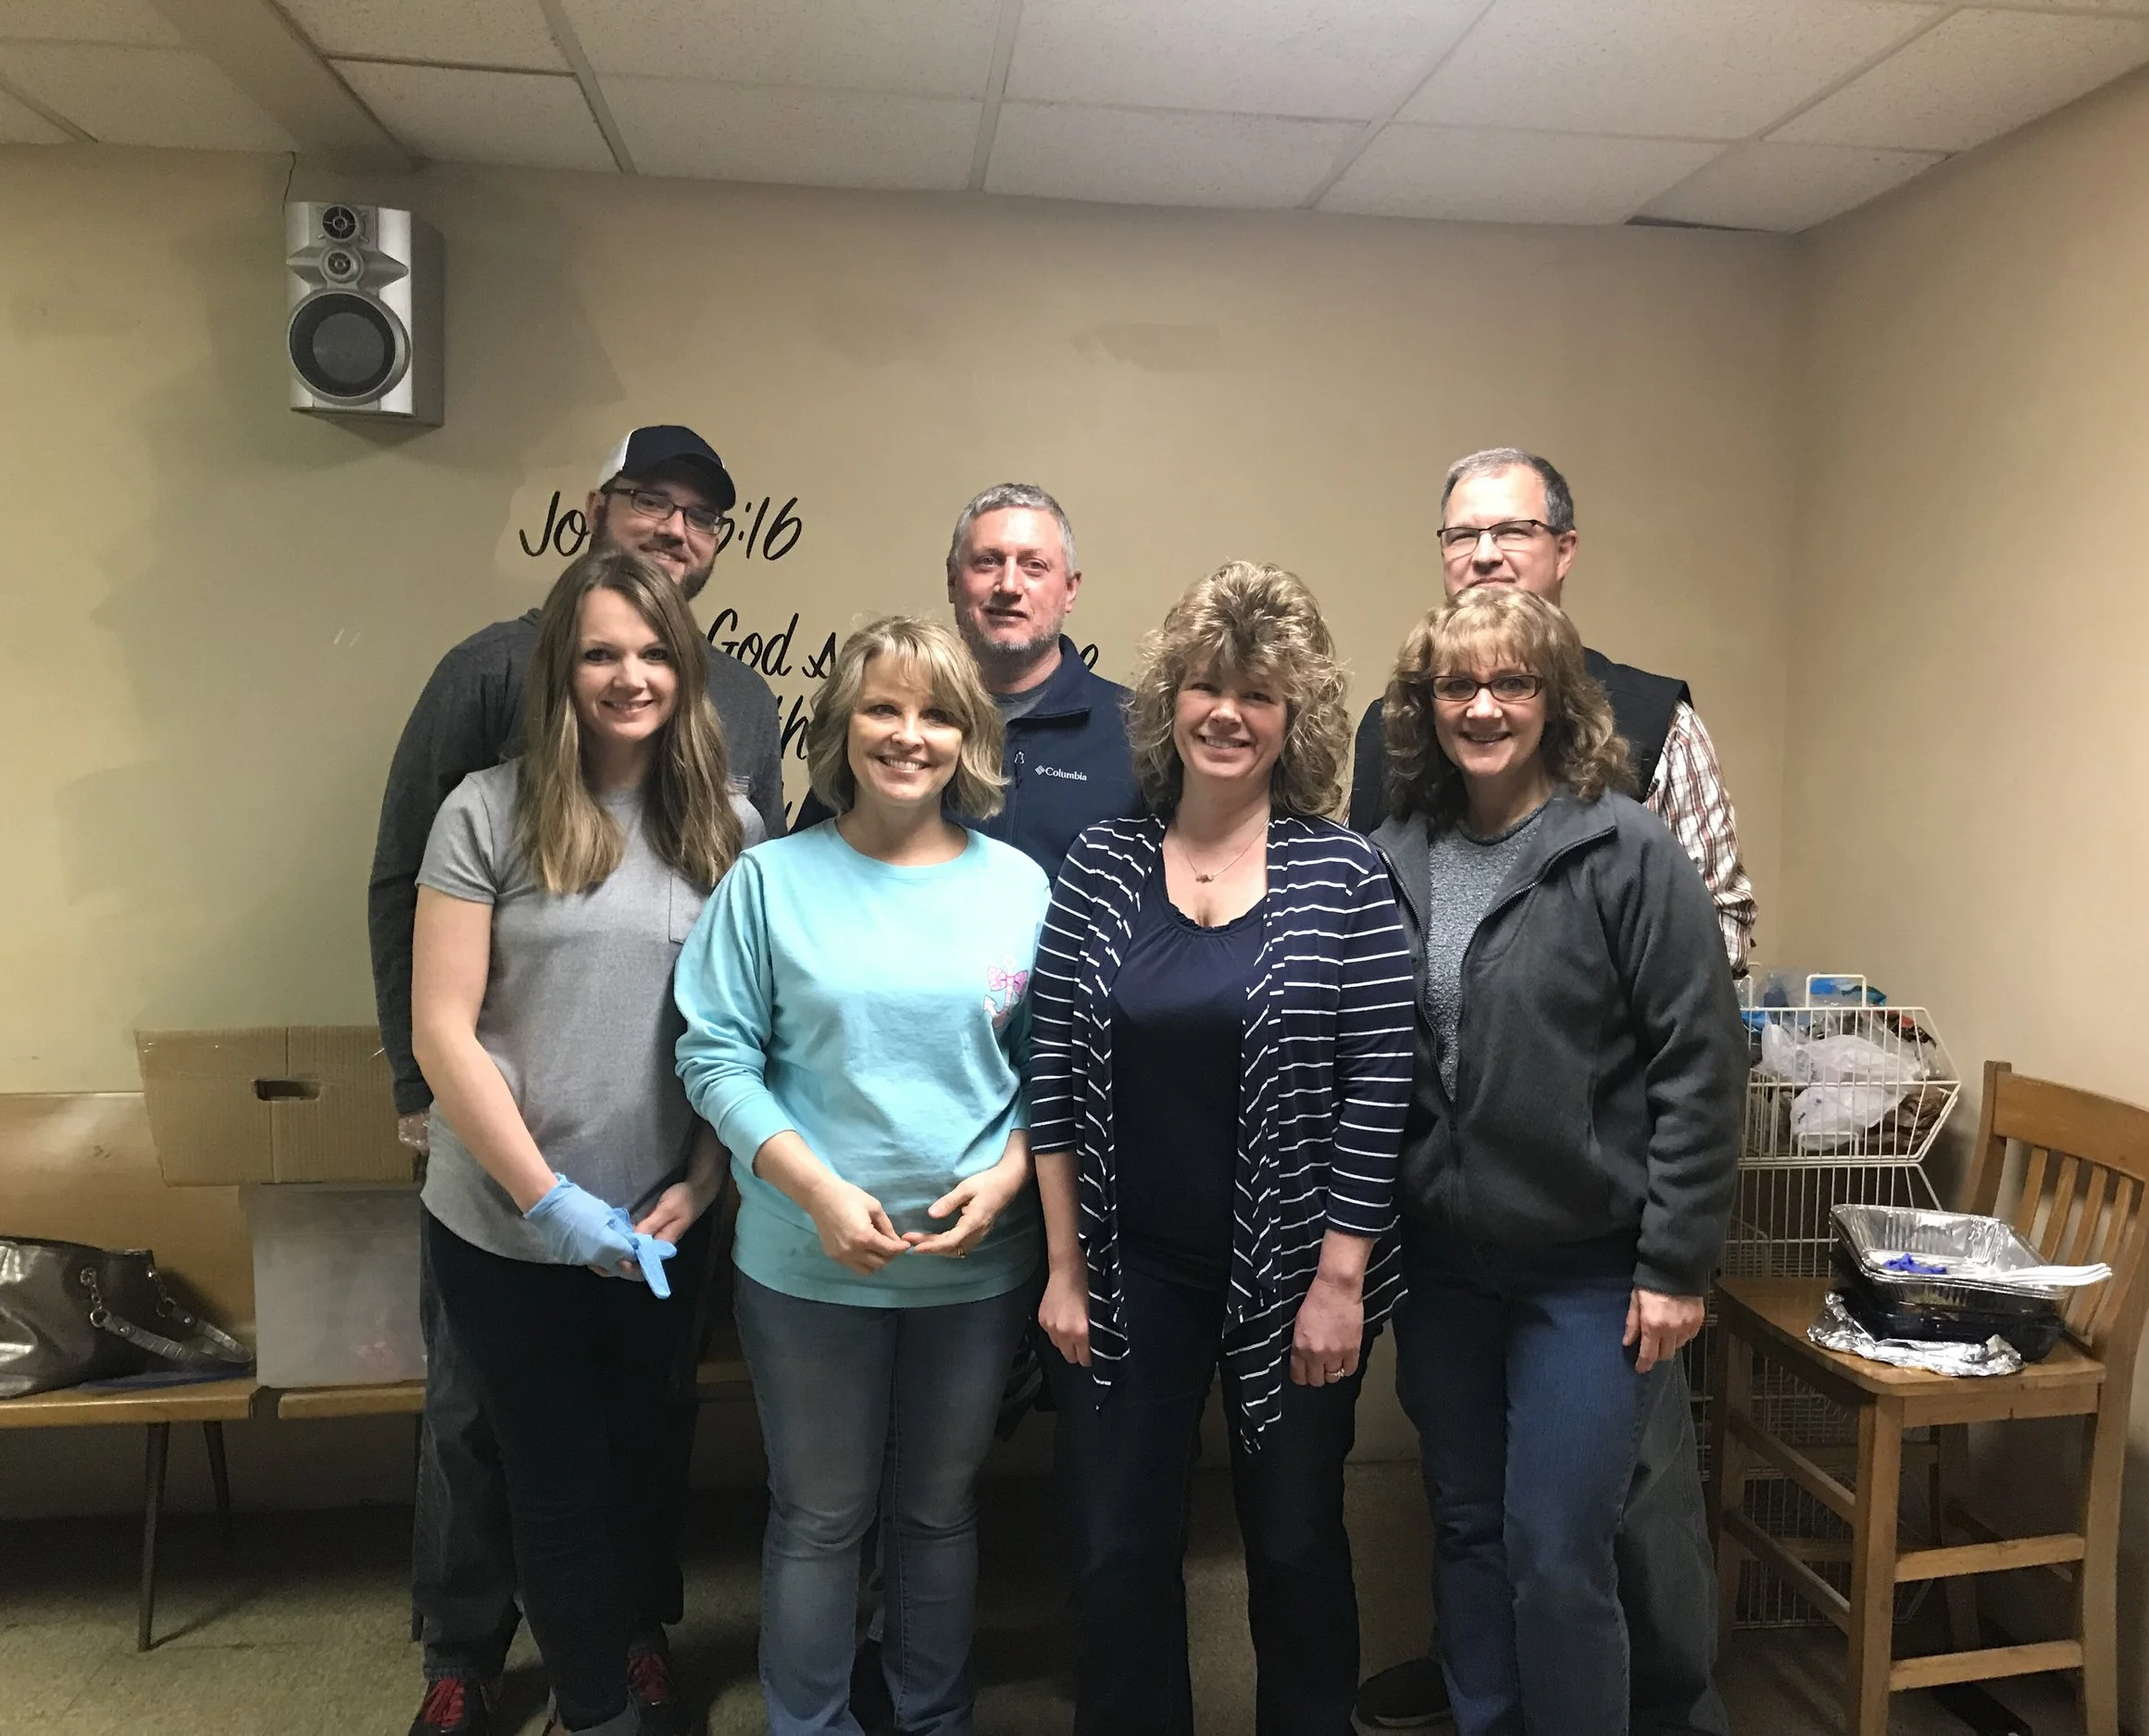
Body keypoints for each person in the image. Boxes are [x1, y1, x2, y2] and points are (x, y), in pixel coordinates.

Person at [370, 425, 783, 1736]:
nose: (631, 673)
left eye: (655, 652)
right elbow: (432, 969)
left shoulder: (739, 787)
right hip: (502, 1195)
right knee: (499, 1434)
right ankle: (477, 1649)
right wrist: (511, 1167)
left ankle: (624, 1644)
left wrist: (705, 1173)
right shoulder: (489, 778)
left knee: (638, 1435)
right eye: (602, 650)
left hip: (663, 1200)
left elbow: (747, 1009)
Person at [1347, 448, 1753, 1736]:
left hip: (1592, 1270)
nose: (1482, 704)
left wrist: (1677, 1260)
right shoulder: (1394, 847)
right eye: (1457, 683)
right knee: (1465, 1526)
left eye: (1511, 680)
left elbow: (1701, 1057)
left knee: (1558, 1543)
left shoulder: (1624, 846)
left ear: (1554, 692)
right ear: (1426, 702)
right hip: (1449, 1263)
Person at [1031, 562, 1417, 1736]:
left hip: (1297, 1272)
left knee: (1295, 1545)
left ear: (1291, 718)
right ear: (1169, 703)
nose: (1227, 713)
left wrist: (1339, 1283)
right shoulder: (1100, 865)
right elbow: (1048, 1071)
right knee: (1116, 1549)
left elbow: (1379, 1090)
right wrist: (1061, 1270)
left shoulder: (1342, 874)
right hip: (1122, 1264)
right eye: (1205, 685)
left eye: (1257, 693)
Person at [674, 617, 1049, 1736]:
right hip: (807, 1265)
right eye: (882, 708)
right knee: (823, 1516)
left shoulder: (1019, 888)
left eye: (936, 713)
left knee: (937, 1513)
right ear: (841, 727)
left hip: (972, 1268)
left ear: (967, 736)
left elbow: (1057, 1071)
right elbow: (713, 1054)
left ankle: (933, 1715)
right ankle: (811, 1723)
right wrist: (819, 1193)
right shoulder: (768, 882)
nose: (907, 734)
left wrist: (1013, 1177)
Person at [794, 481, 1136, 878]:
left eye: (1034, 566)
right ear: (954, 580)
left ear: (1070, 590)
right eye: (988, 561)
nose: (1009, 585)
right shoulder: (883, 728)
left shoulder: (1136, 730)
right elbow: (810, 860)